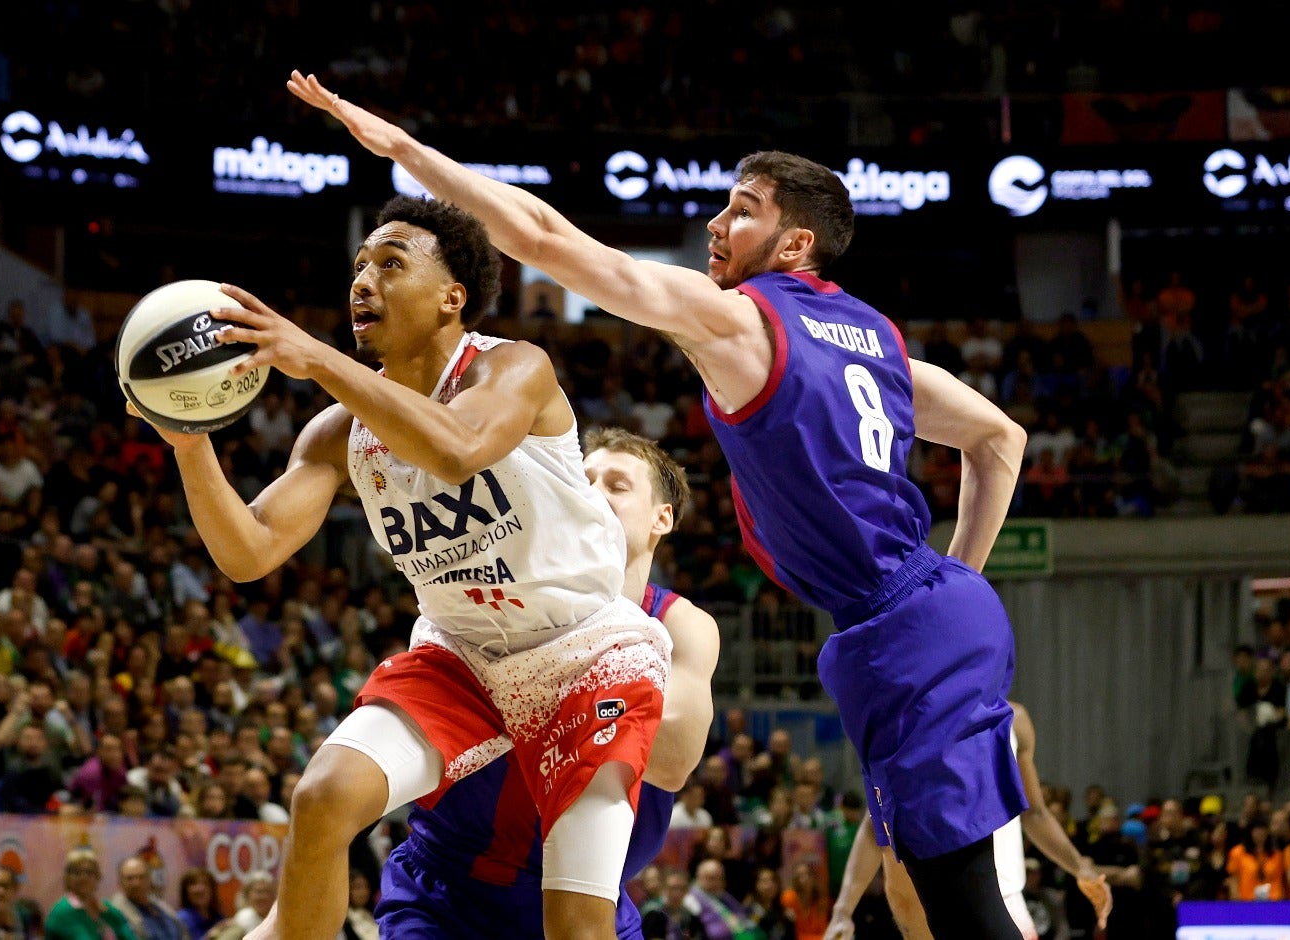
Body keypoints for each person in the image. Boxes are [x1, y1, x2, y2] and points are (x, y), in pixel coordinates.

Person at [291, 70, 1035, 938]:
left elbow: (541, 234)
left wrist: (407, 153)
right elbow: (999, 440)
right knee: (932, 892)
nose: (718, 225)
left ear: (794, 246)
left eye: (743, 210)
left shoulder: (741, 320)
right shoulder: (874, 339)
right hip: (919, 617)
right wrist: (954, 589)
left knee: (961, 904)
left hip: (901, 620)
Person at [130, 195, 671, 940]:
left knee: (577, 924)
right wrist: (191, 445)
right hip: (461, 652)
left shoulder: (515, 368)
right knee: (322, 797)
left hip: (584, 654)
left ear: (453, 297)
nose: (363, 281)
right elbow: (249, 551)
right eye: (357, 266)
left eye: (390, 263)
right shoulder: (339, 432)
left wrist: (313, 357)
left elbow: (454, 448)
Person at [373, 429, 720, 939]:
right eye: (584, 480)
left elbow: (671, 763)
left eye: (618, 484)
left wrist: (522, 686)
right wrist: (590, 707)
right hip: (450, 889)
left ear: (660, 519)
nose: (594, 492)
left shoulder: (682, 624)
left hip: (592, 897)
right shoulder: (496, 585)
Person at [825, 702, 1112, 940]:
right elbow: (875, 823)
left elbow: (1034, 813)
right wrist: (842, 911)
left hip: (1004, 901)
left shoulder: (1016, 720)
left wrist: (1080, 867)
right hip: (929, 906)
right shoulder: (914, 721)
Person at [45, 851, 136, 940]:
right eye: (77, 872)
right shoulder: (62, 912)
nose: (84, 877)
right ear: (67, 878)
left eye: (89, 872)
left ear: (98, 877)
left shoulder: (108, 909)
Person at [109, 859, 185, 940]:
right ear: (119, 882)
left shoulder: (160, 905)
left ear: (149, 879)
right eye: (129, 878)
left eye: (141, 877)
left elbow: (182, 932)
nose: (136, 883)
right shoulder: (116, 911)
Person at [174, 870, 221, 940]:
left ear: (212, 890)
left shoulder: (218, 918)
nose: (200, 889)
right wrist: (210, 935)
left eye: (205, 883)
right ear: (185, 891)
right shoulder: (181, 919)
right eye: (193, 884)